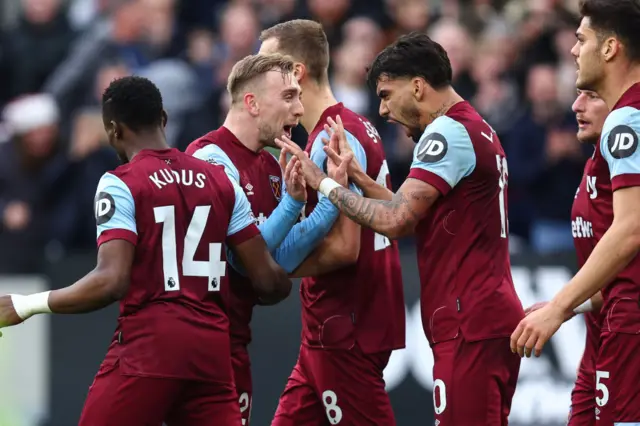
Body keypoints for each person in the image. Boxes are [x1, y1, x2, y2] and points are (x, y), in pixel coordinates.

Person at [0, 76, 292, 426]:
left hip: (150, 347)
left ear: (113, 130)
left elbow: (111, 281)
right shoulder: (220, 181)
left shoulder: (121, 181)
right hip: (213, 351)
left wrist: (26, 304)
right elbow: (270, 283)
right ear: (163, 119)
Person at [277, 31, 524, 424]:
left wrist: (323, 183)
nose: (384, 110)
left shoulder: (445, 132)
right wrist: (359, 177)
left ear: (418, 86)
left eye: (387, 94)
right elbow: (409, 211)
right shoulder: (476, 127)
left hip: (469, 320)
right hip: (481, 315)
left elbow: (395, 221)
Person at [186, 53, 358, 425]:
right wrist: (292, 205)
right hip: (197, 343)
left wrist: (330, 196)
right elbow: (243, 257)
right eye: (289, 97)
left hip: (234, 340)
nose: (299, 108)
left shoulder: (270, 165)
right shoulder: (209, 159)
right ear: (252, 103)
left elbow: (280, 258)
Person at [258, 20, 405, 426]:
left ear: (295, 73)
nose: (257, 77)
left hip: (346, 326)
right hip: (335, 327)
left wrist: (268, 270)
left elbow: (344, 248)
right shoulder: (354, 126)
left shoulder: (331, 138)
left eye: (266, 66)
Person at [511, 1, 640, 423]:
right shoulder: (609, 141)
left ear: (610, 49)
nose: (572, 50)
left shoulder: (627, 122)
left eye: (581, 39)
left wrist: (557, 308)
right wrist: (569, 306)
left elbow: (630, 230)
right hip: (608, 323)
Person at [525, 89, 608, 426]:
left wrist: (563, 306)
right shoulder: (595, 162)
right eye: (577, 95)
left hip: (625, 336)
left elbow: (630, 276)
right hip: (598, 338)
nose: (577, 105)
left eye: (591, 96)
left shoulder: (625, 162)